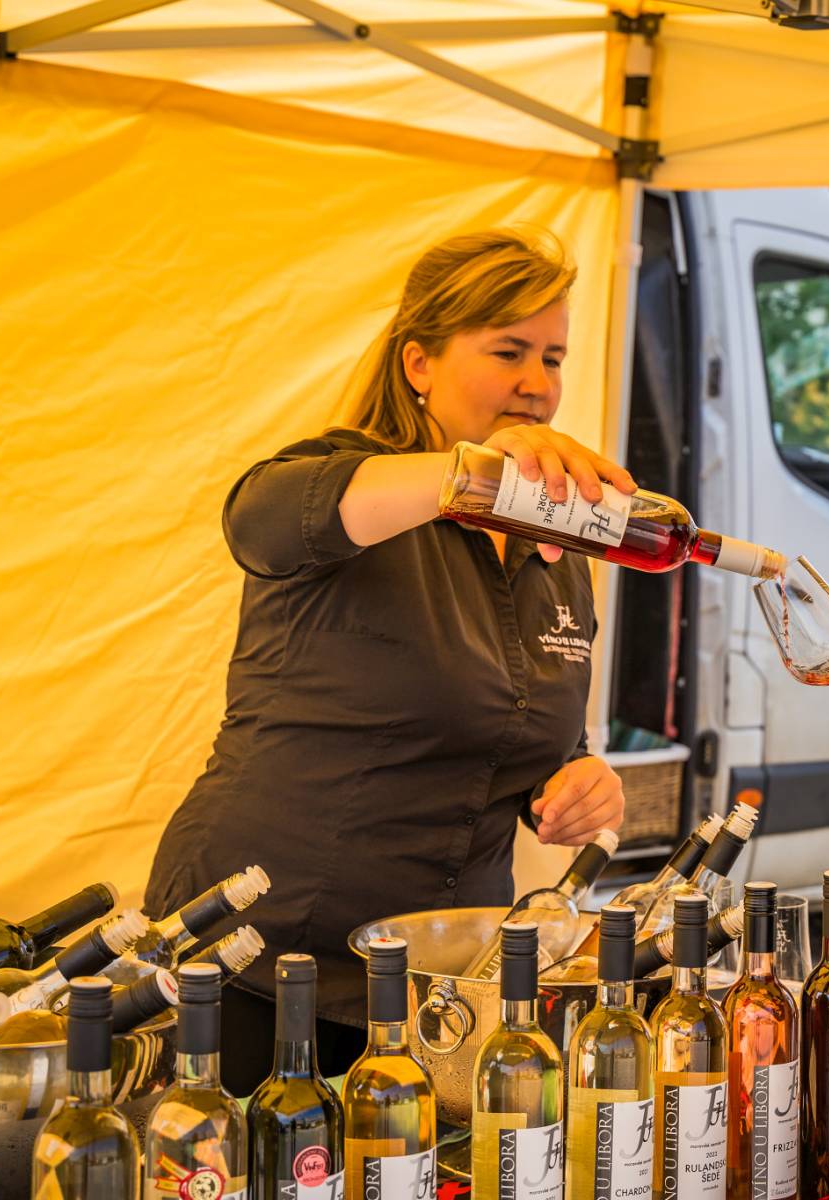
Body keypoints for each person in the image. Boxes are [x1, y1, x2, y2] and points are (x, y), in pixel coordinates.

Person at [145, 228, 633, 1091]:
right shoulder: (348, 482)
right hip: (260, 958)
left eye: (553, 357)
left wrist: (580, 783)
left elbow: (534, 744)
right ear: (419, 364)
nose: (538, 382)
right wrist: (470, 472)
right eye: (509, 351)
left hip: (436, 983)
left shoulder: (554, 551)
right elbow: (256, 519)